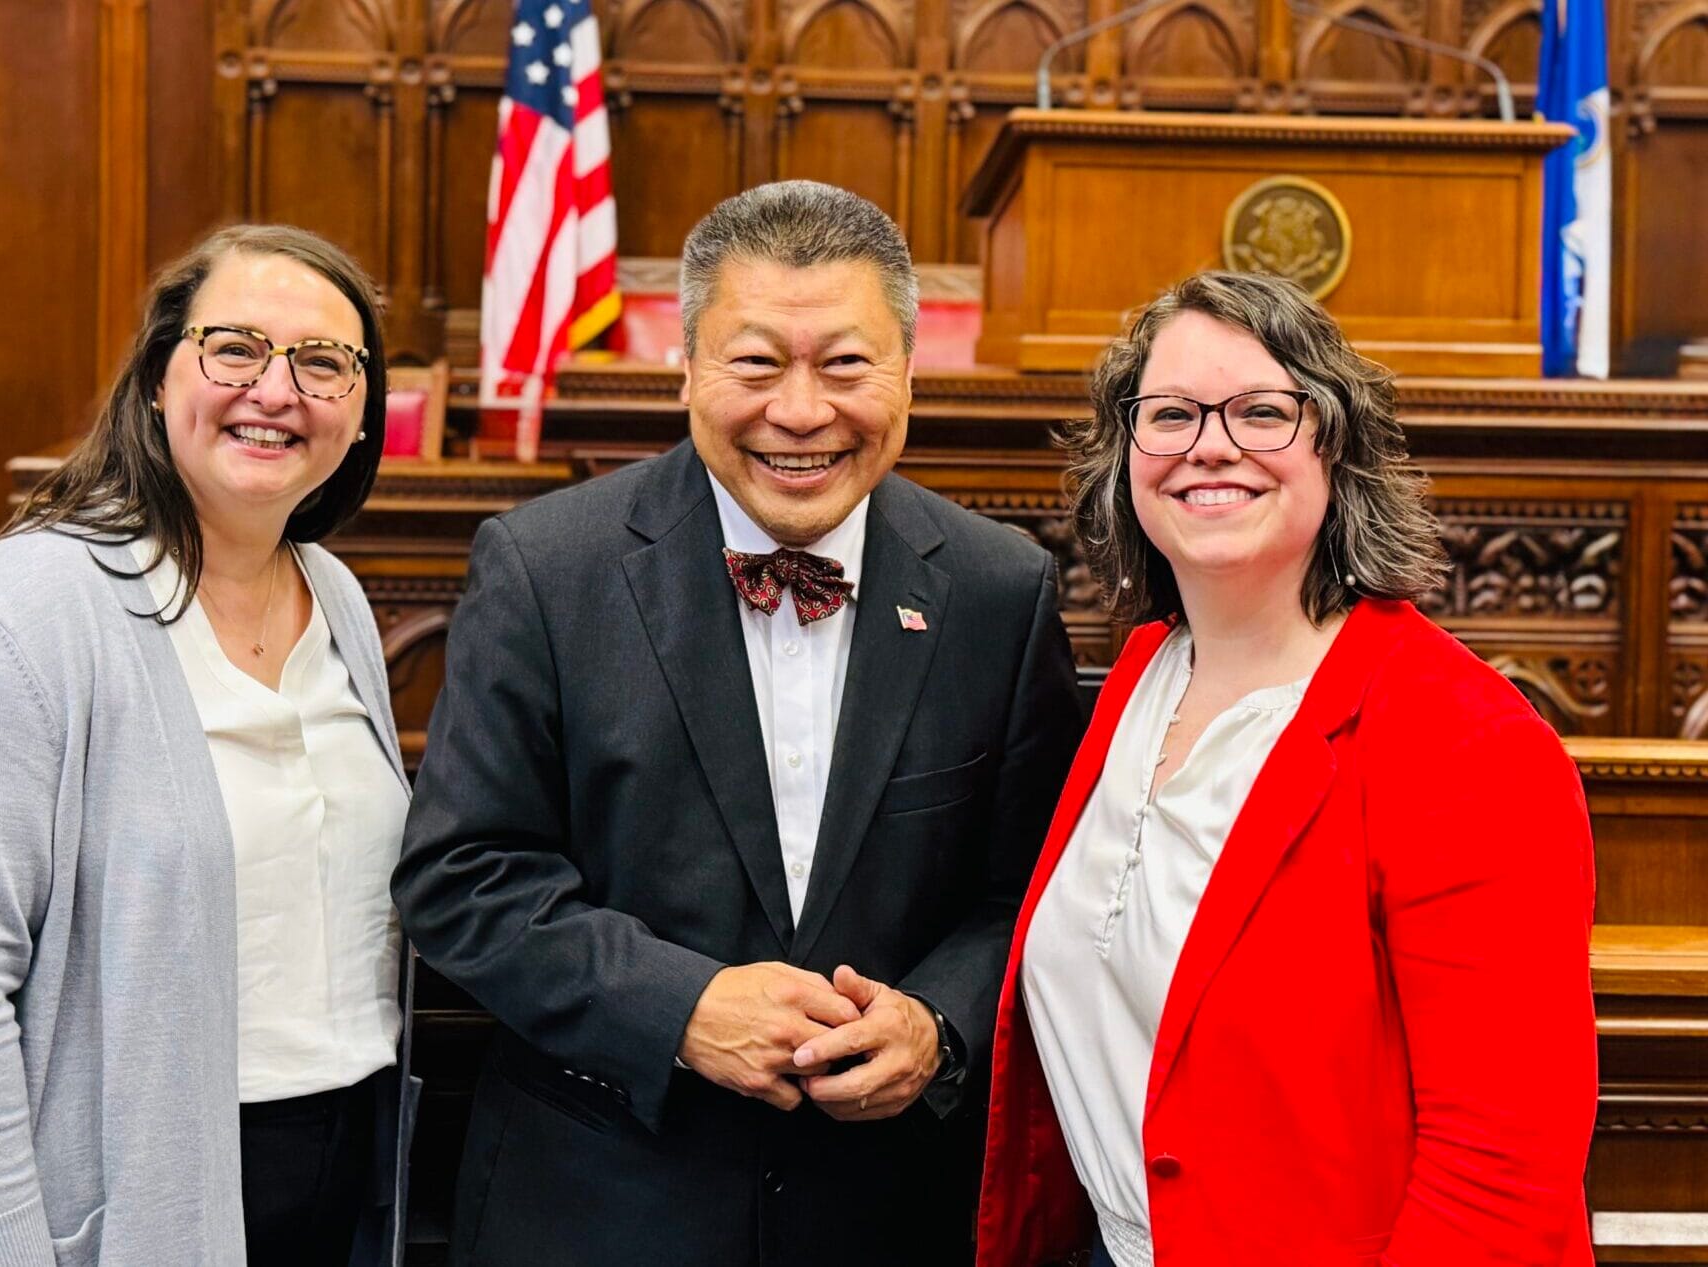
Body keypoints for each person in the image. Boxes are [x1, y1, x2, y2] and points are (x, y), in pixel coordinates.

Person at [394, 180, 1083, 1266]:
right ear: (687, 368)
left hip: (891, 1217)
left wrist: (937, 1023)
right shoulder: (544, 568)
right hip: (597, 1209)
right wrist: (680, 1007)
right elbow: (462, 875)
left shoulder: (1003, 589)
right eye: (756, 363)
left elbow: (1031, 893)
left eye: (845, 365)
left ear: (908, 371)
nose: (801, 412)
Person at [974, 270, 1598, 1267]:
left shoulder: (1464, 741)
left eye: (1262, 412)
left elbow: (1501, 1174)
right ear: (1125, 456)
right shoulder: (1141, 674)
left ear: (1335, 448)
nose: (1210, 444)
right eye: (1170, 413)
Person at [0, 224, 418, 1267]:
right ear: (159, 379)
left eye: (323, 362)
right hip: (129, 1198)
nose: (276, 390)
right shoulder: (21, 611)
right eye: (235, 348)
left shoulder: (335, 598)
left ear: (360, 410)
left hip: (336, 1173)